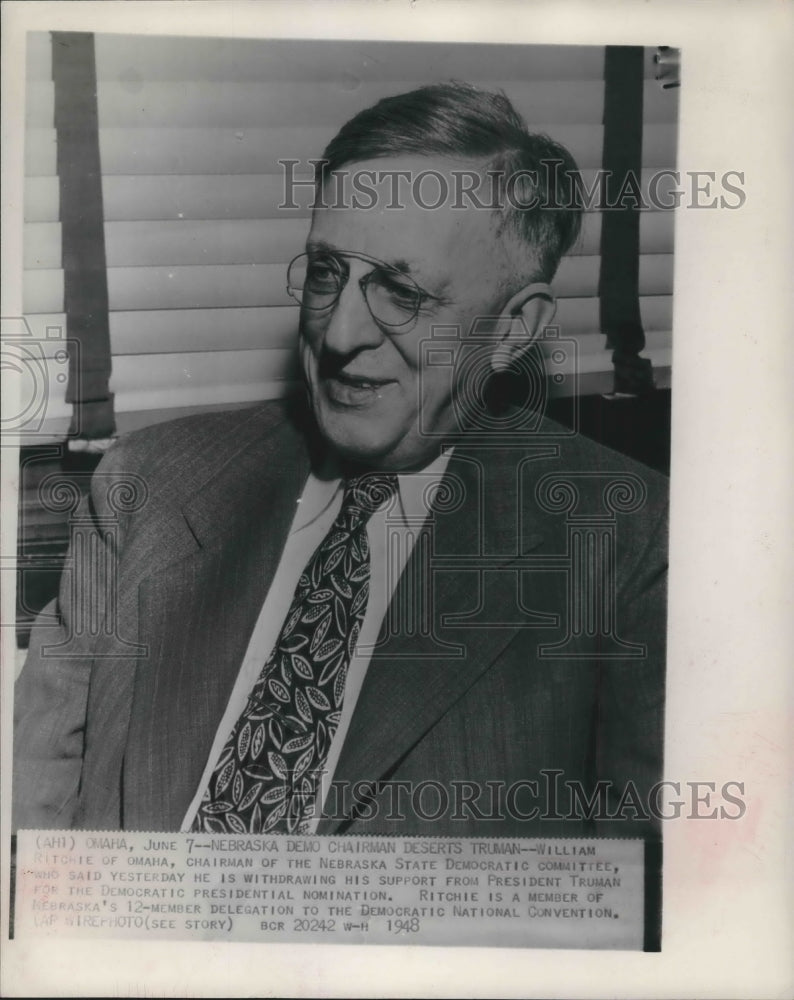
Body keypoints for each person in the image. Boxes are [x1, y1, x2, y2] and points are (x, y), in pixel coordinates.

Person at [13, 82, 667, 838]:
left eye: (401, 291)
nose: (340, 330)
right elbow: (30, 815)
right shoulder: (148, 484)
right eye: (327, 273)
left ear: (515, 330)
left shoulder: (630, 544)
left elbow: (641, 897)